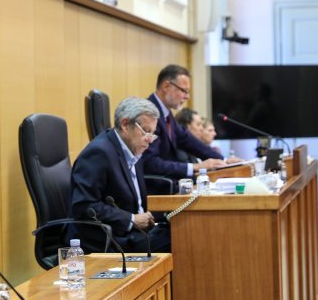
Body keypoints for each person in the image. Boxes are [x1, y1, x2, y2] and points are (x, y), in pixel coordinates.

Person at [70, 97, 171, 254]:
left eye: (153, 133)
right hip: (111, 238)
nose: (150, 140)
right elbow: (84, 206)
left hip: (136, 232)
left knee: (179, 229)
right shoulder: (99, 153)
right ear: (125, 124)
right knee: (179, 239)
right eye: (146, 131)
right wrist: (131, 219)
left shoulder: (133, 148)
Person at [142, 65, 235, 183]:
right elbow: (150, 163)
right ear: (166, 86)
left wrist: (225, 160)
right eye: (184, 91)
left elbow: (189, 141)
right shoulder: (148, 113)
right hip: (156, 190)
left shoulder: (167, 114)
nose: (187, 97)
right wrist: (195, 167)